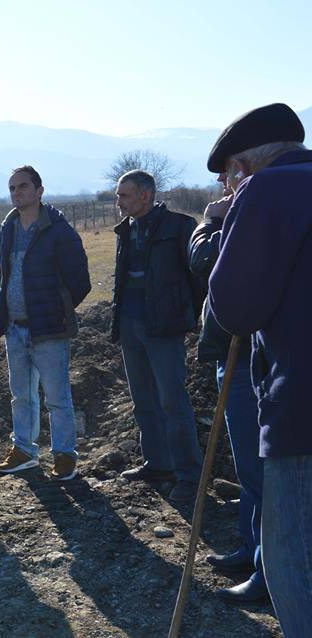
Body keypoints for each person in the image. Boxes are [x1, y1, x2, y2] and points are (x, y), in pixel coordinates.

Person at [208, 102, 310, 636]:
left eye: (229, 177)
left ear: (243, 166)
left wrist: (226, 225)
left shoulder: (266, 191)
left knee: (296, 565)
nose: (228, 187)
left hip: (301, 406)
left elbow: (235, 308)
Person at [188, 171, 267, 603]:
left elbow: (205, 259)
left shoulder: (253, 213)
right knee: (247, 465)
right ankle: (250, 548)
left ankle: (268, 570)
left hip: (248, 357)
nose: (222, 182)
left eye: (229, 173)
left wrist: (210, 221)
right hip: (229, 354)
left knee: (259, 468)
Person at [109, 170, 203, 502]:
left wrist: (189, 316)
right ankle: (158, 464)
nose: (118, 202)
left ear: (145, 195)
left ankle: (190, 475)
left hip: (164, 326)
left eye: (124, 195)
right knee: (143, 399)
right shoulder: (125, 229)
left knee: (173, 400)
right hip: (130, 323)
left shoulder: (179, 227)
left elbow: (197, 277)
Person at [0, 166, 91, 480]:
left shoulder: (59, 231)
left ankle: (64, 455)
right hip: (15, 328)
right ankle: (23, 451)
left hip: (49, 329)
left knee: (57, 398)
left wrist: (57, 309)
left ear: (39, 191)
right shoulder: (7, 229)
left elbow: (80, 281)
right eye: (12, 188)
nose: (16, 193)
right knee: (21, 395)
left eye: (23, 186)